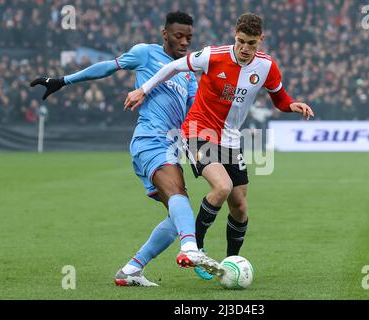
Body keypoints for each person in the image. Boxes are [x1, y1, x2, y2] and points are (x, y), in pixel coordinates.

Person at [30, 11, 222, 287]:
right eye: (178, 36)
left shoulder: (188, 71)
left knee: (177, 216)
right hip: (150, 141)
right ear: (164, 33)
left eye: (189, 38)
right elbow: (108, 66)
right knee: (179, 196)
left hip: (169, 145)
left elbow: (193, 113)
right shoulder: (145, 53)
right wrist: (63, 80)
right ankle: (191, 248)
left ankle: (132, 269)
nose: (184, 42)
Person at [124, 13, 314, 279]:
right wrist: (143, 89)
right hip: (198, 131)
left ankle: (231, 262)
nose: (245, 49)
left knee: (240, 206)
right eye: (241, 42)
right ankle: (195, 249)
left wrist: (292, 105)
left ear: (261, 40)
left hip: (231, 140)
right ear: (234, 34)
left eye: (252, 44)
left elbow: (279, 97)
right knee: (222, 187)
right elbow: (173, 67)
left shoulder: (266, 66)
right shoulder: (213, 55)